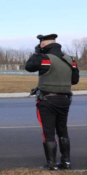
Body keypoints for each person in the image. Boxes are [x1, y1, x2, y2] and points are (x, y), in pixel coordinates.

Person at [25, 34, 80, 170]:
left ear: (43, 44)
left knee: (48, 132)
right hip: (65, 99)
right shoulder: (70, 60)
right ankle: (66, 162)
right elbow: (74, 80)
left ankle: (52, 164)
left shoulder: (45, 59)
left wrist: (36, 53)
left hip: (47, 100)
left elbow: (29, 66)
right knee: (62, 131)